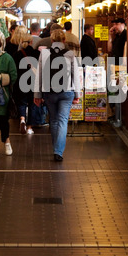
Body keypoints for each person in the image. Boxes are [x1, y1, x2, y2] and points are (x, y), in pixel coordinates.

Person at [34, 29, 81, 162]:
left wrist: (37, 94)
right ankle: (58, 151)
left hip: (49, 91)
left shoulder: (44, 53)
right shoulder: (70, 54)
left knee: (53, 120)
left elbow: (39, 75)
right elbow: (75, 76)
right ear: (64, 40)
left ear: (52, 40)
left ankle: (57, 148)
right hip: (67, 92)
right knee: (62, 121)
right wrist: (77, 93)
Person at [12, 33, 40, 135]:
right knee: (33, 104)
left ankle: (22, 119)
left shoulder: (16, 54)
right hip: (33, 83)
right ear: (31, 42)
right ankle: (29, 128)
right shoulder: (37, 53)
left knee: (21, 103)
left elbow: (13, 70)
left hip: (20, 82)